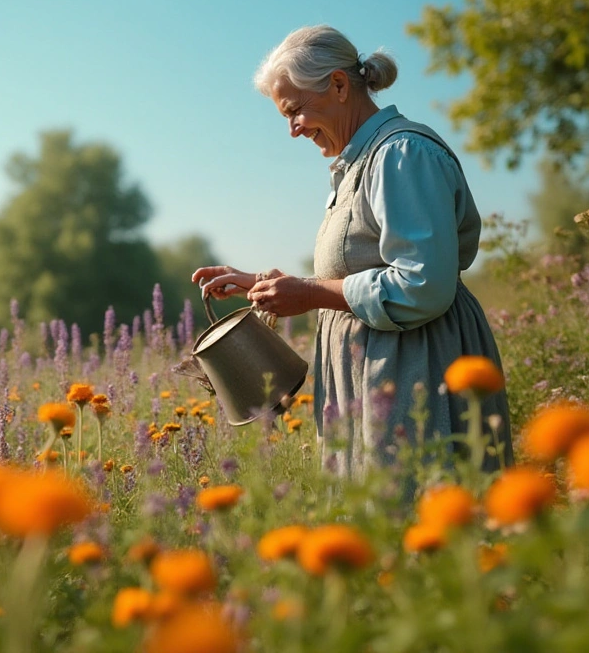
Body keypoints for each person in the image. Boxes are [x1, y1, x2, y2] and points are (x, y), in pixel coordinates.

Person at [192, 25, 512, 480]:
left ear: (339, 85)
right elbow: (358, 265)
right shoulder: (358, 163)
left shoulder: (402, 155)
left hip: (416, 369)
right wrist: (267, 284)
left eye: (295, 110)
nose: (293, 130)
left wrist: (309, 294)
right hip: (375, 375)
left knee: (423, 516)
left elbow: (421, 285)